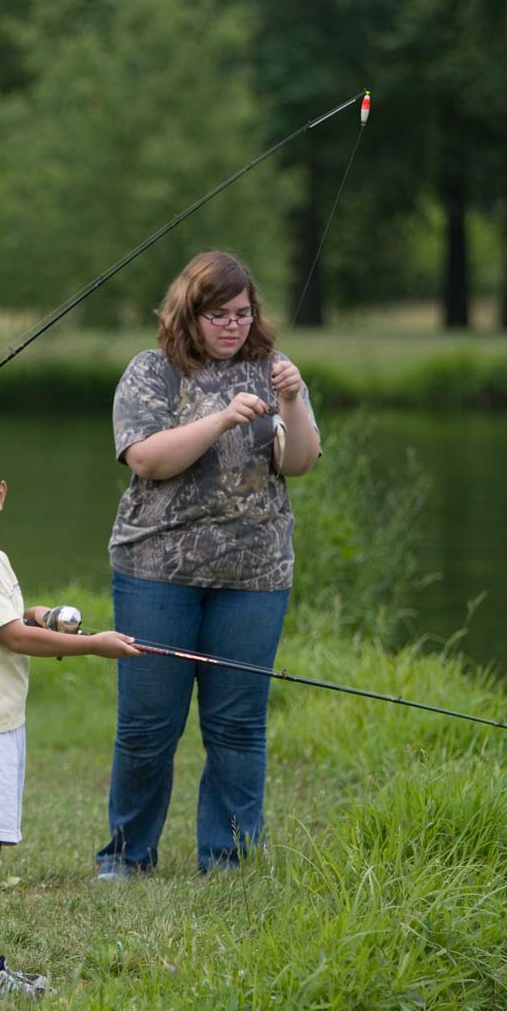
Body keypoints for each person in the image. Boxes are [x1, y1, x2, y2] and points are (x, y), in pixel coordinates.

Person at [96, 250, 322, 879]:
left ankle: (229, 860)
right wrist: (220, 418)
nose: (232, 326)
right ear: (188, 315)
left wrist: (295, 402)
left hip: (255, 577)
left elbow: (300, 461)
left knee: (238, 725)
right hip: (155, 572)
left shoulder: (272, 370)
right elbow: (146, 459)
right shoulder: (151, 373)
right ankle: (126, 858)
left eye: (242, 314)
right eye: (217, 314)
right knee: (148, 726)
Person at [0, 434, 140, 999]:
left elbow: (12, 617)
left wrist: (41, 612)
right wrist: (94, 646)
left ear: (1, 494)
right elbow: (14, 638)